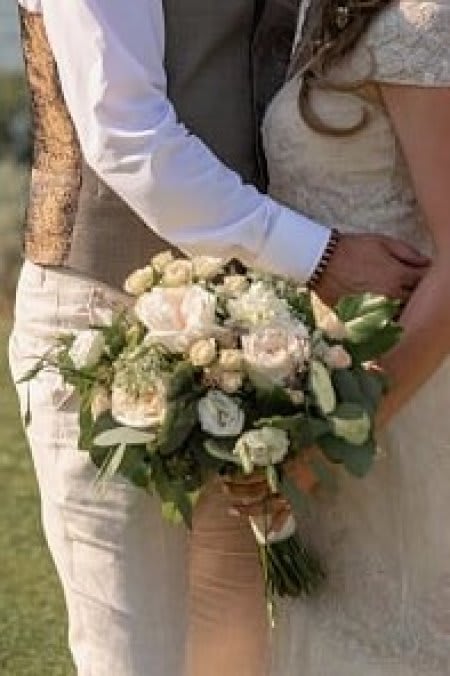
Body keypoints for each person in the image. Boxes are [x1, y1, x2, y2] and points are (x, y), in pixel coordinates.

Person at [9, 1, 428, 675]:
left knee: (237, 655)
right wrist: (318, 255)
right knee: (136, 657)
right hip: (106, 325)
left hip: (255, 337)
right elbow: (126, 134)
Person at [228, 1, 450, 674]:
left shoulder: (421, 22)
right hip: (330, 394)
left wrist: (346, 430)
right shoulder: (320, 16)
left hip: (403, 402)